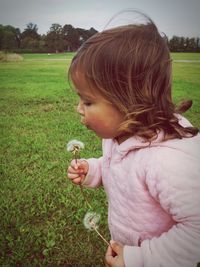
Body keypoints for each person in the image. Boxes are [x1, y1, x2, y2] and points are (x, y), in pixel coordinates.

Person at [67, 12, 200, 267]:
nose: (79, 108)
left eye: (88, 101)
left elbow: (197, 230)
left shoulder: (166, 160)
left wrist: (140, 259)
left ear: (129, 101)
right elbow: (121, 170)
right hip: (128, 245)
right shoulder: (120, 134)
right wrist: (93, 170)